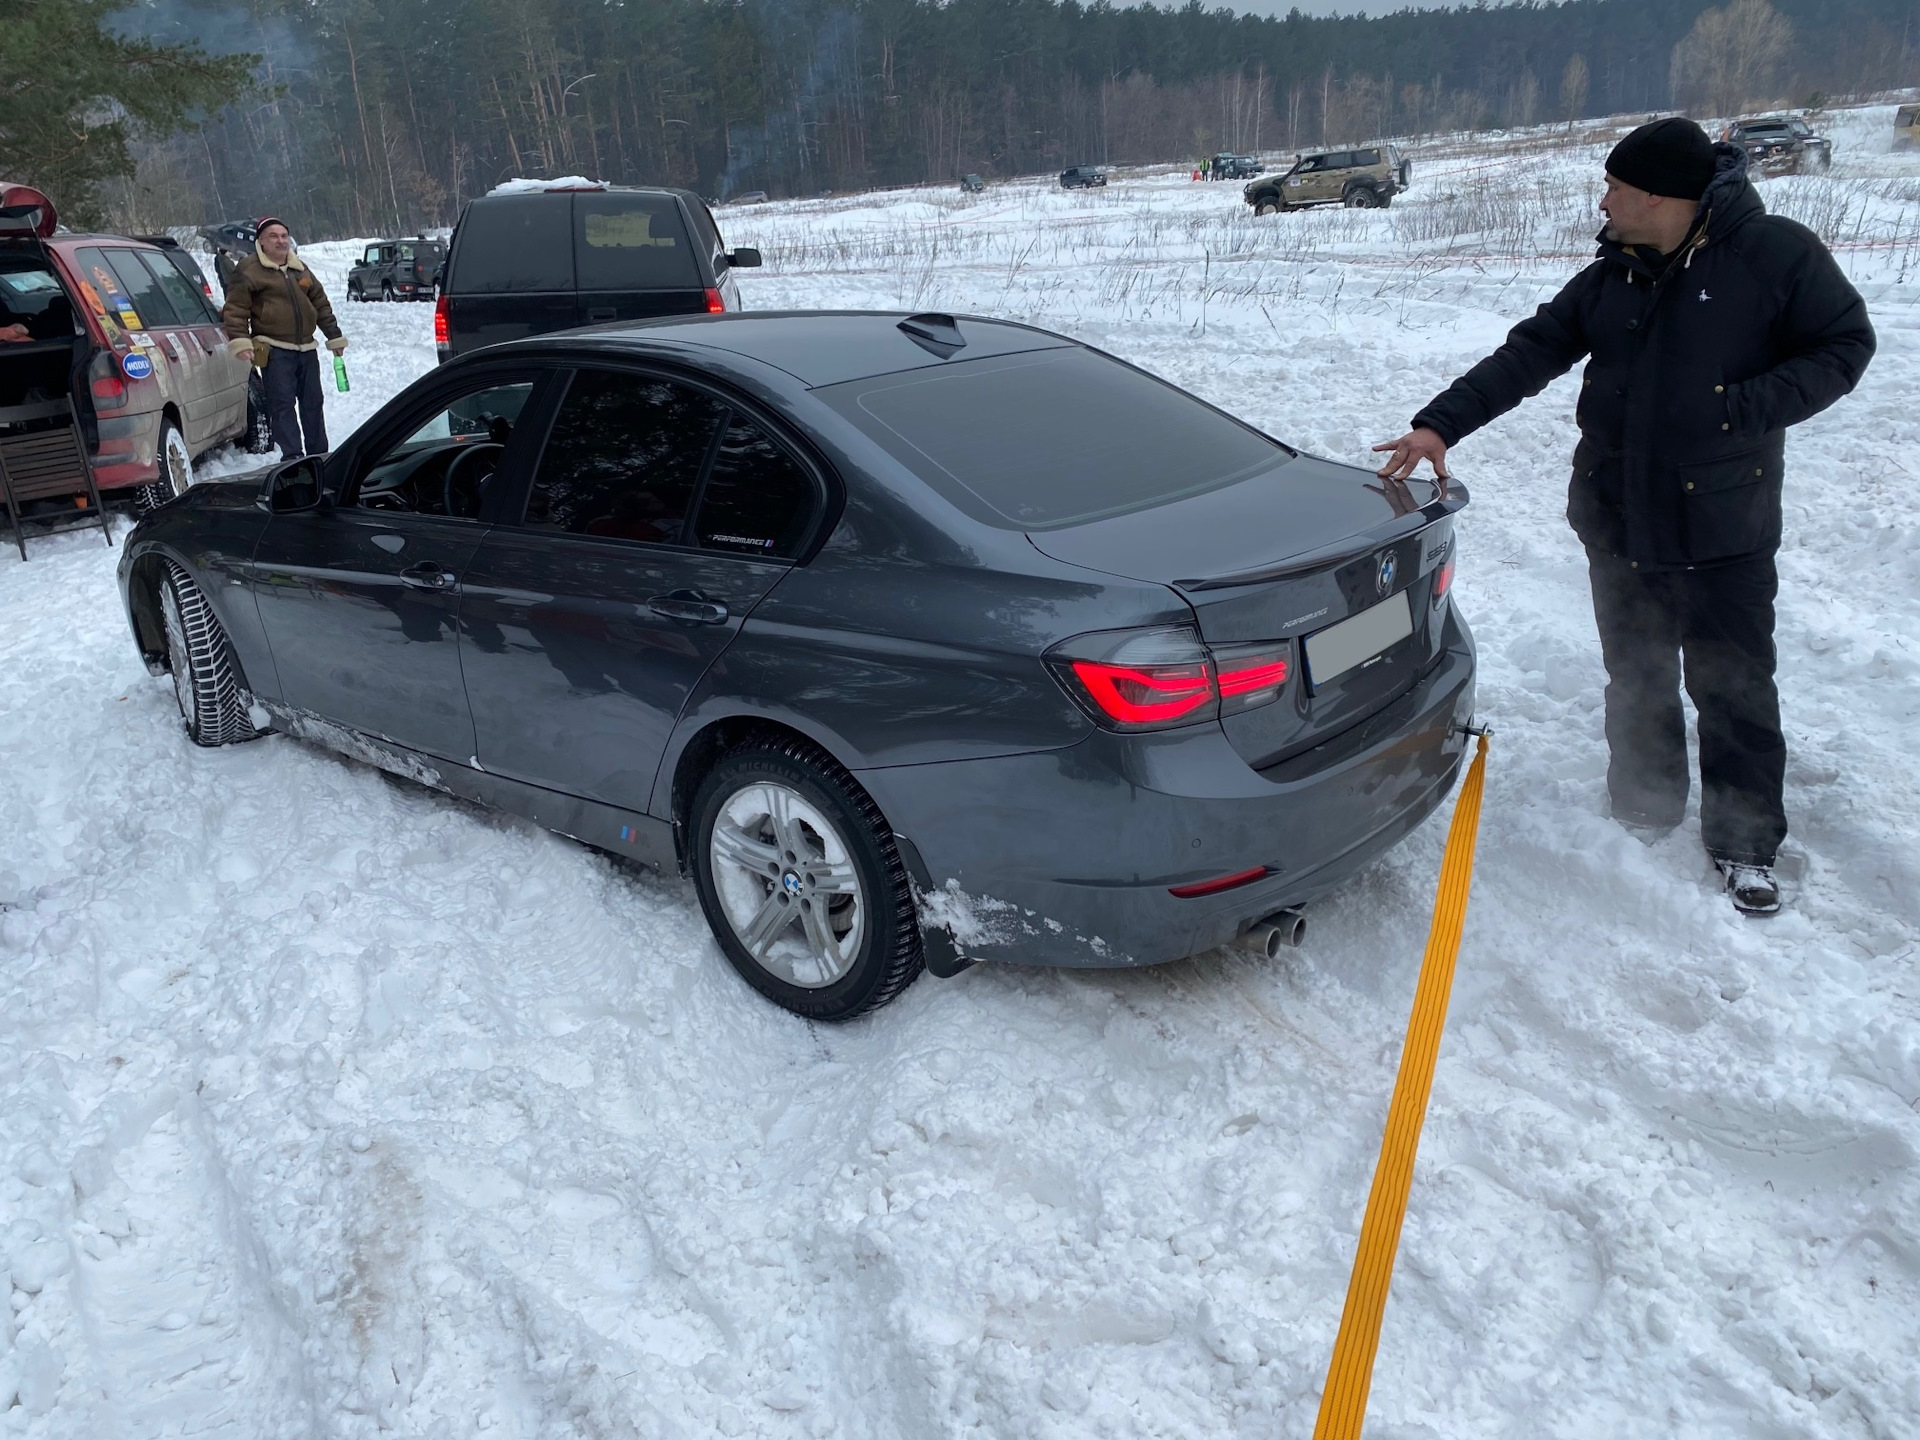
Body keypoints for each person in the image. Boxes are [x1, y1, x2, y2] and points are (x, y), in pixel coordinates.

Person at [1372, 118, 1874, 917]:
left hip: (1724, 524)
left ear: (1658, 195)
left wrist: (1737, 409)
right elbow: (1531, 350)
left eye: (1614, 187)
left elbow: (1845, 344)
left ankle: (1744, 842)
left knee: (1735, 685)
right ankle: (1644, 802)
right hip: (1618, 517)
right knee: (1636, 669)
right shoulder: (1619, 269)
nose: (1602, 200)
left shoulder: (1774, 255)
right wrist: (1441, 424)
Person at [220, 217, 347, 459]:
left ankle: (319, 455)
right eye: (273, 236)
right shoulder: (249, 269)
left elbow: (320, 303)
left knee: (313, 404)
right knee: (282, 406)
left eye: (283, 236)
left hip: (307, 349)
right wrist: (241, 341)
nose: (280, 241)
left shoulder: (300, 268)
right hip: (275, 350)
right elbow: (235, 308)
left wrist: (334, 337)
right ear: (261, 242)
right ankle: (293, 459)